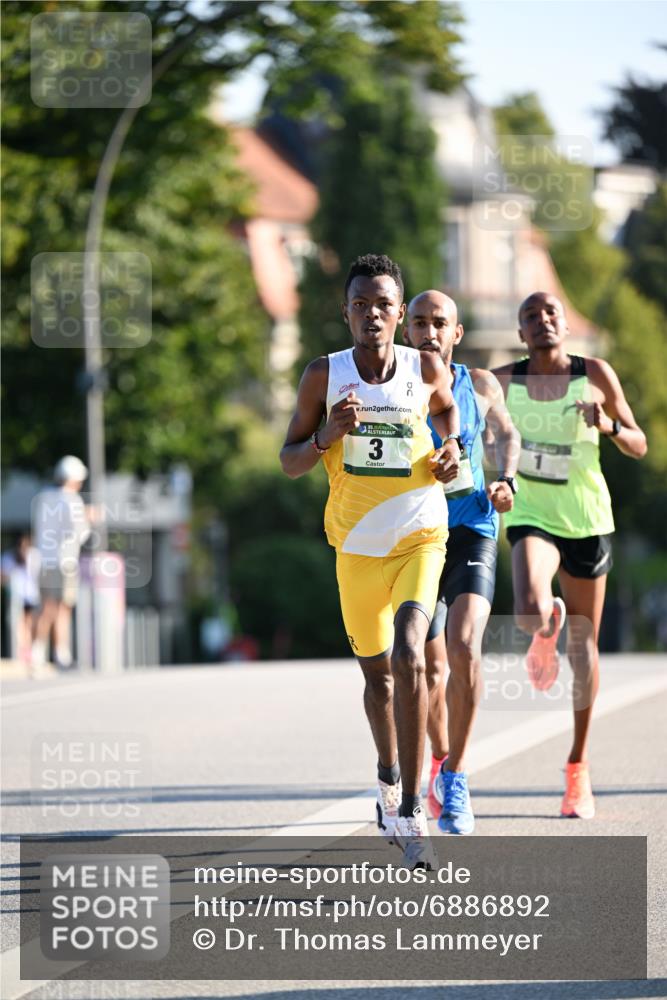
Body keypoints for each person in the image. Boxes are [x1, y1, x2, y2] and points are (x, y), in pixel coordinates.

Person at [280, 254, 461, 868]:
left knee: (412, 655)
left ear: (399, 313)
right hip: (356, 547)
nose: (373, 315)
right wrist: (326, 436)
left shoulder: (424, 365)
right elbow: (290, 460)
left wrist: (452, 447)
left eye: (384, 305)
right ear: (346, 312)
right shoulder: (323, 375)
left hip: (420, 536)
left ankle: (412, 810)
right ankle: (387, 778)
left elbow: (445, 411)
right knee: (378, 680)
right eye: (361, 305)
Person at [493, 291, 647, 818]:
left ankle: (578, 766)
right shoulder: (503, 381)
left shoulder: (595, 374)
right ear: (520, 333)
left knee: (584, 650)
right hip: (532, 513)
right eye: (530, 317)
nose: (542, 321)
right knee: (527, 608)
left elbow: (639, 443)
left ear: (564, 323)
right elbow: (453, 397)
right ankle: (544, 627)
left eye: (551, 313)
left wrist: (606, 424)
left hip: (586, 519)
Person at [404, 290, 520, 835]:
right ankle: (439, 758)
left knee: (465, 644)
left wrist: (506, 480)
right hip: (415, 536)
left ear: (457, 332)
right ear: (406, 330)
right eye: (419, 322)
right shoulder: (392, 386)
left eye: (439, 323)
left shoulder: (480, 384)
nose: (428, 331)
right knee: (429, 669)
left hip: (473, 527)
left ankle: (456, 776)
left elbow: (507, 434)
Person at [32, 455, 95, 669]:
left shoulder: (43, 498)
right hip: (65, 560)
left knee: (47, 606)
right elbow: (80, 533)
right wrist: (89, 518)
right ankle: (61, 653)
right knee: (62, 608)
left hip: (44, 559)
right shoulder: (72, 500)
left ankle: (39, 651)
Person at [1, 534, 41, 665]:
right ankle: (21, 651)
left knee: (29, 624)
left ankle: (28, 650)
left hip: (31, 597)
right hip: (16, 598)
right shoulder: (9, 558)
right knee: (18, 623)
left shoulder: (34, 556)